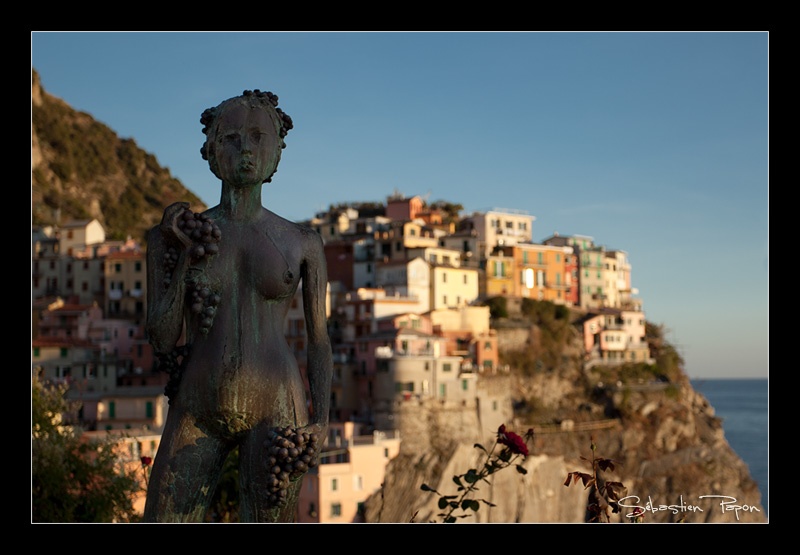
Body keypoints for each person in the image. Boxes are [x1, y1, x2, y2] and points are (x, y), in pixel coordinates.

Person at [143, 90, 332, 522]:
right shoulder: (174, 235)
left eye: (257, 138)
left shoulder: (303, 243)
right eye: (229, 138)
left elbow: (319, 339)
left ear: (276, 153)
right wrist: (185, 258)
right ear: (210, 151)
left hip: (278, 406)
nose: (245, 149)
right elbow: (161, 335)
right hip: (197, 405)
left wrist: (319, 420)